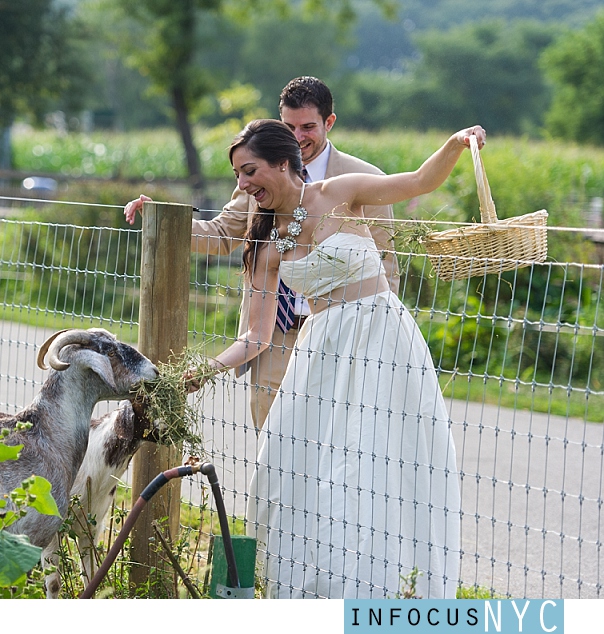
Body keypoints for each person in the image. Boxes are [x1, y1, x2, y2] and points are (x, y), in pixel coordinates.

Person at [199, 118, 479, 599]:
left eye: (249, 172)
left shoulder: (340, 192)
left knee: (371, 465)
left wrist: (455, 143)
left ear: (283, 164)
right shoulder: (265, 243)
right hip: (321, 351)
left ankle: (390, 592)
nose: (242, 185)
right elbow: (256, 336)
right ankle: (315, 593)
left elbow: (417, 182)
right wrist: (204, 370)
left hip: (381, 340)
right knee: (302, 471)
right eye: (238, 176)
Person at [125, 76, 399, 431]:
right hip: (275, 334)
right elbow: (221, 235)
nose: (298, 137)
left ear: (329, 123)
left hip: (345, 336)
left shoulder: (362, 178)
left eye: (308, 127)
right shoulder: (256, 179)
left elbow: (386, 262)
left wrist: (382, 338)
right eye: (289, 126)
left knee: (341, 434)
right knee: (275, 437)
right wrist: (163, 220)